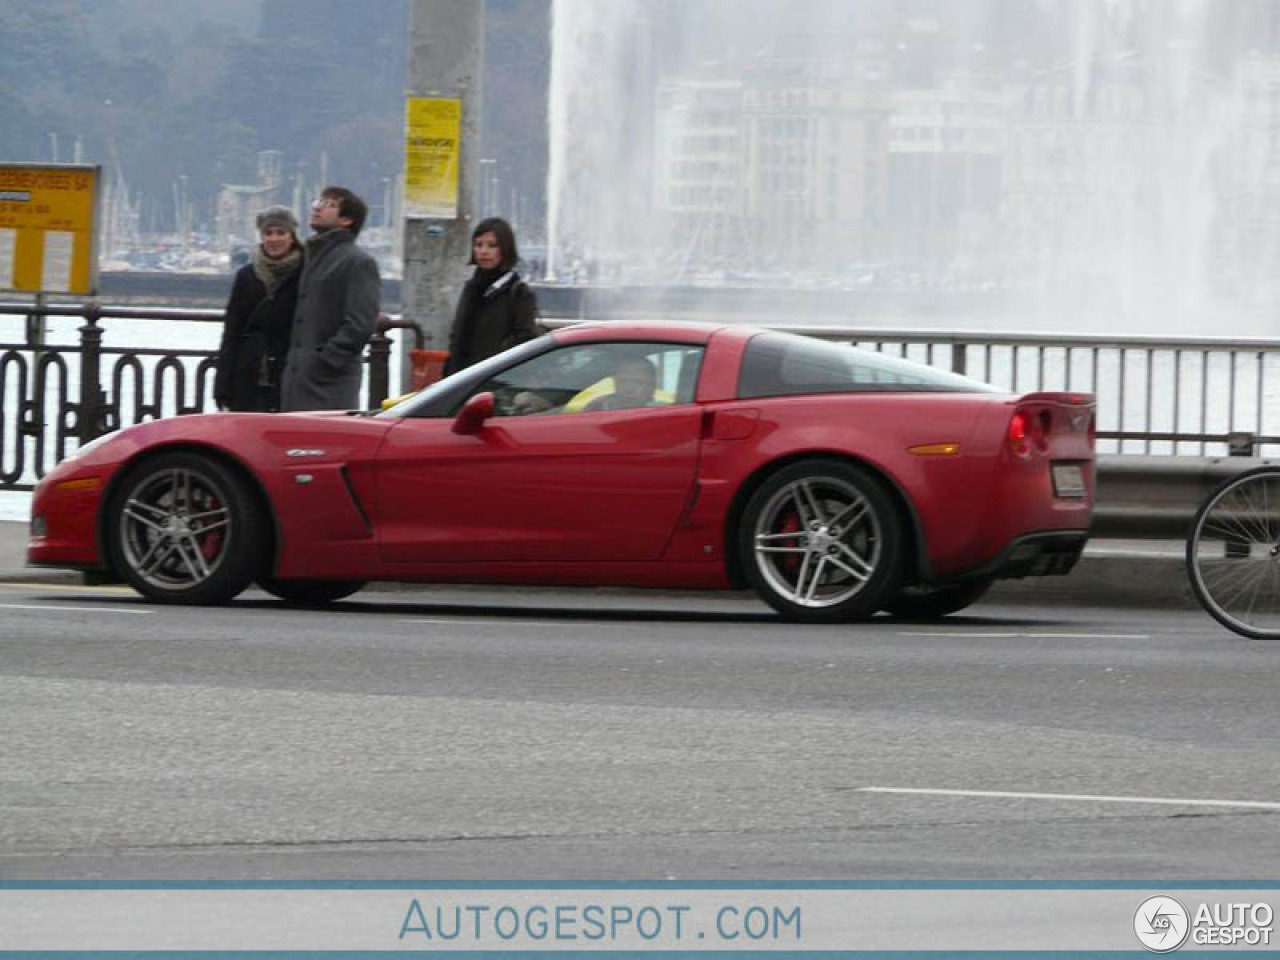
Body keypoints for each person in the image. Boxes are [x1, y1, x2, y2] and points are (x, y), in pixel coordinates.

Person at [279, 185, 380, 411]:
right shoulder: (312, 257)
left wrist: (324, 362)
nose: (318, 208)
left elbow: (360, 324)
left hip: (328, 385)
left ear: (347, 220)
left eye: (330, 205)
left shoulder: (357, 262)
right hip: (298, 381)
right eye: (319, 202)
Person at [213, 205, 303, 412]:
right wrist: (222, 385)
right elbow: (232, 331)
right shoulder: (247, 276)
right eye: (268, 233)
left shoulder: (306, 273)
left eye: (281, 232)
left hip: (290, 375)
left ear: (292, 236)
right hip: (248, 375)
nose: (274, 239)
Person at [442, 217, 539, 376]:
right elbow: (456, 338)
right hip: (462, 380)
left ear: (506, 249)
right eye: (478, 245)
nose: (483, 251)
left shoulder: (519, 293)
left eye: (492, 245)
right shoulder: (471, 288)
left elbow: (525, 340)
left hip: (497, 381)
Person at [584, 357, 659, 412]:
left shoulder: (662, 413)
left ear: (652, 387)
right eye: (623, 381)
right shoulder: (597, 407)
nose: (628, 389)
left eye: (637, 382)